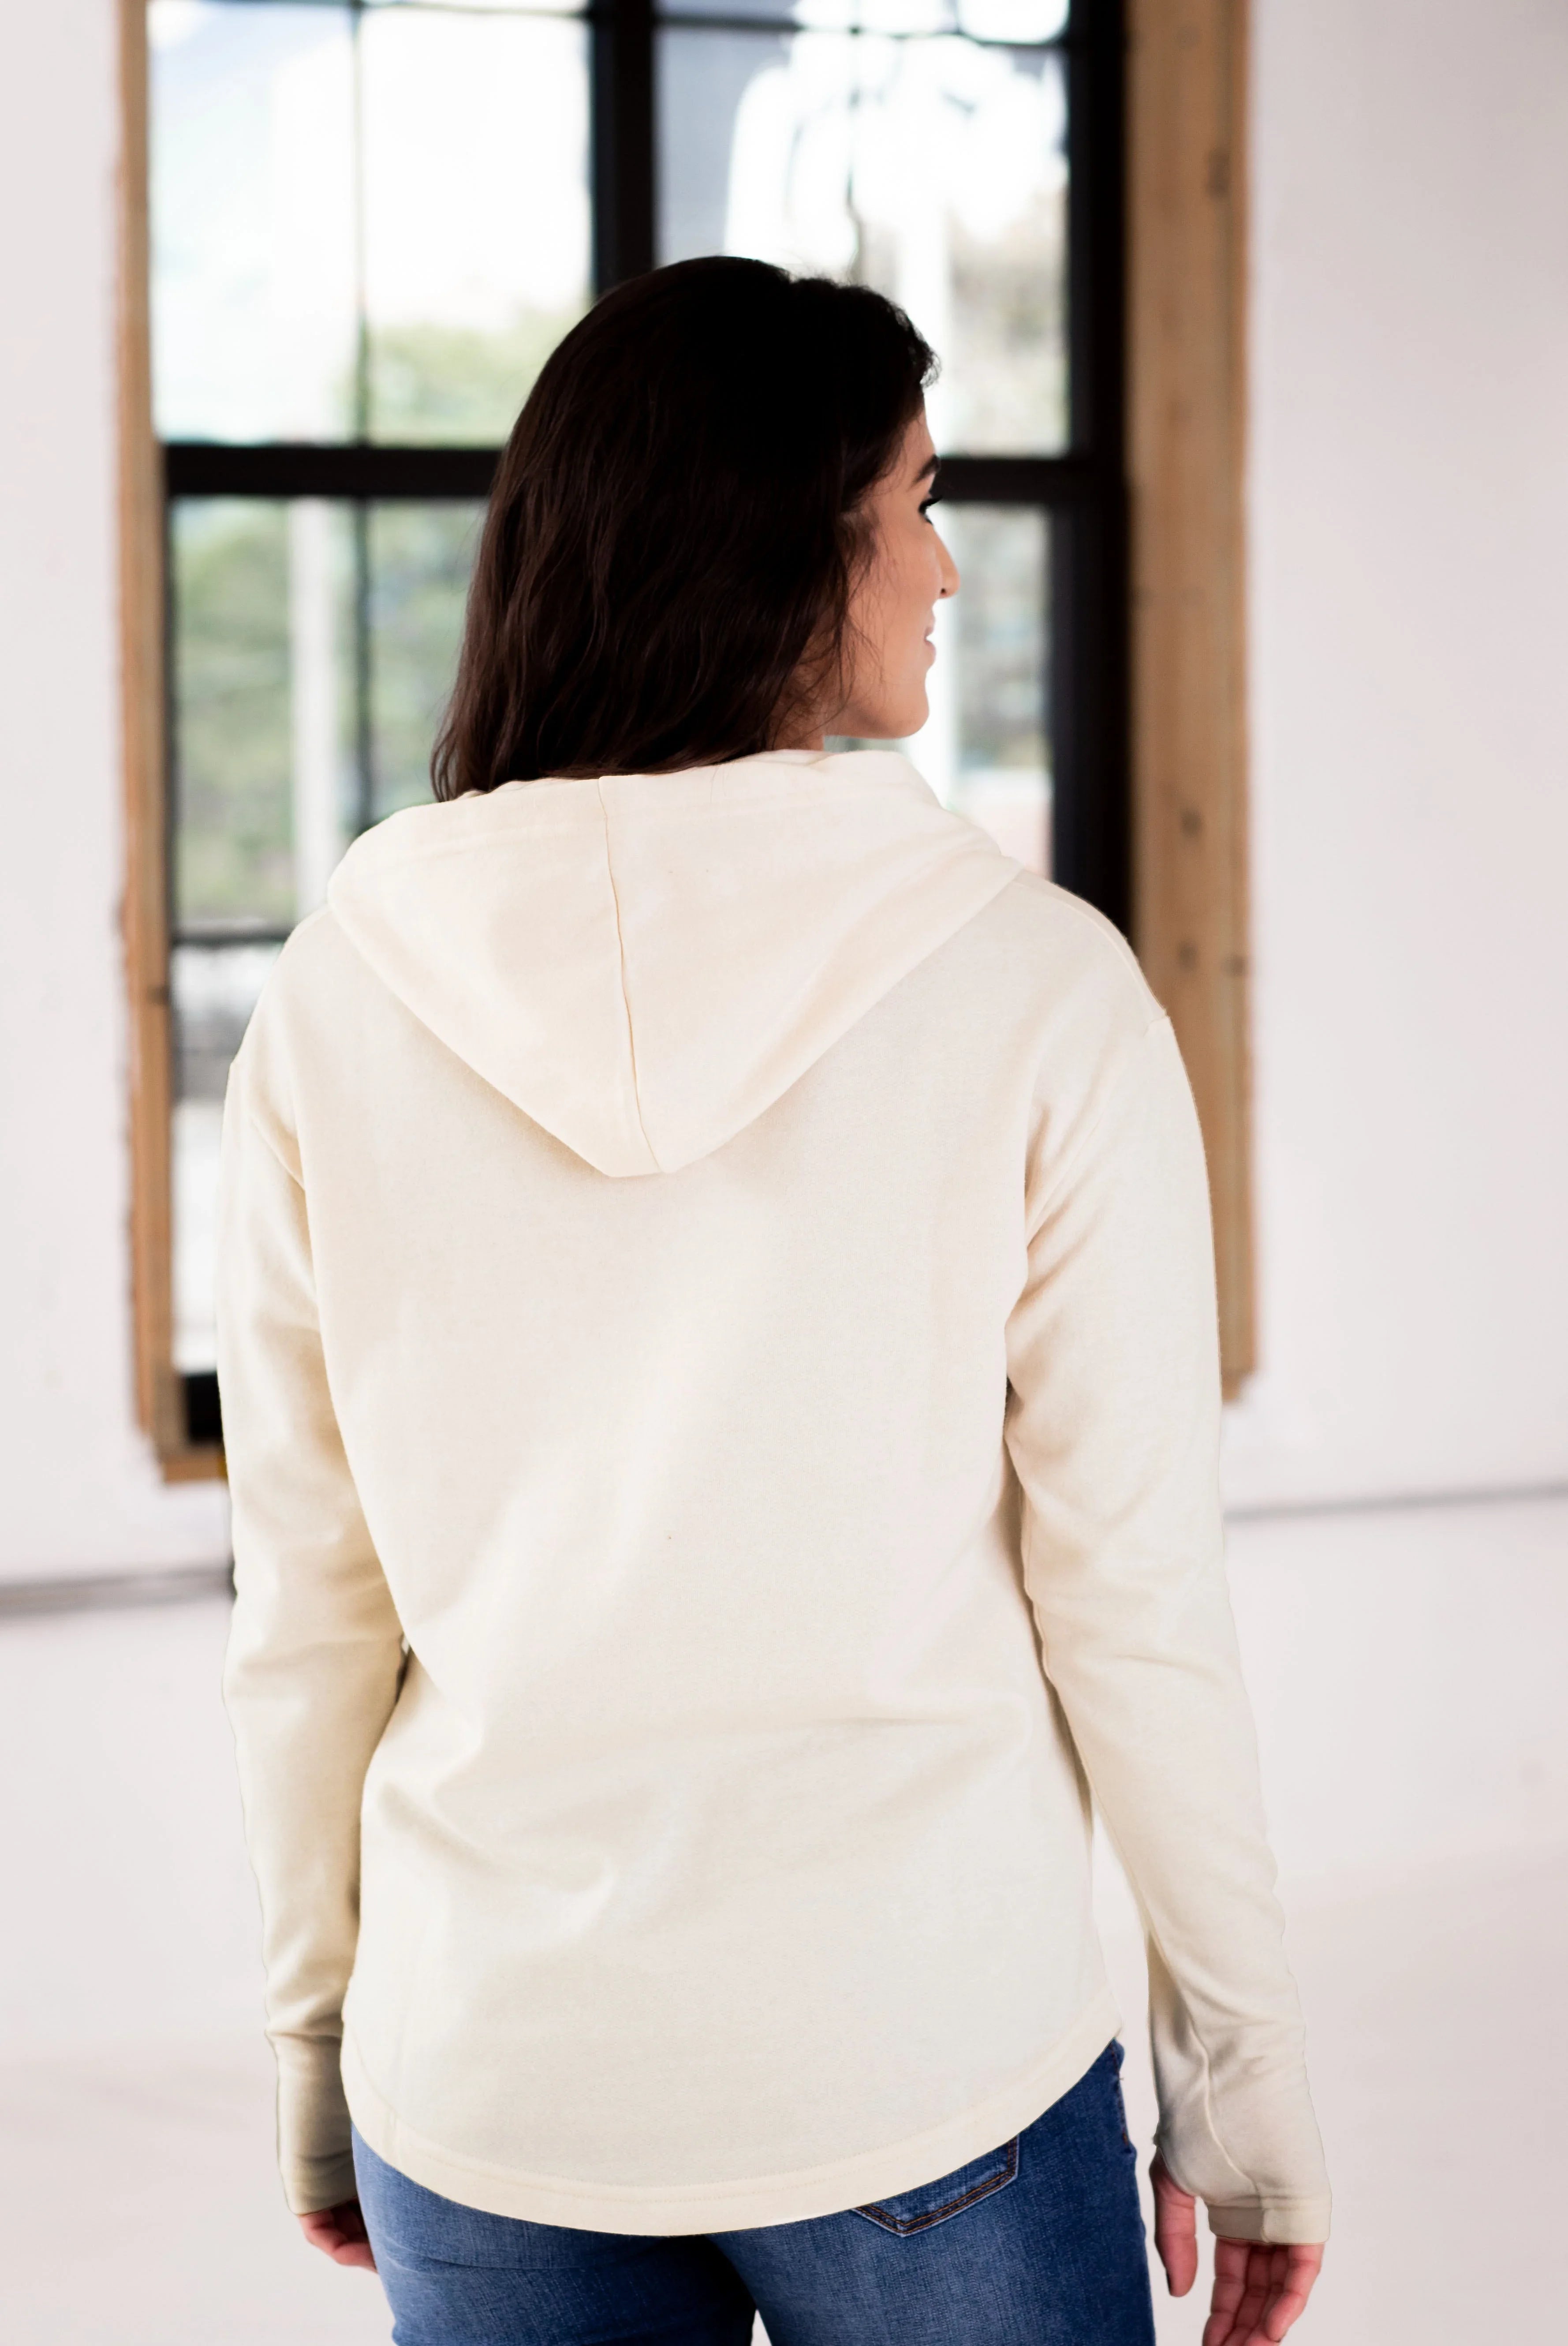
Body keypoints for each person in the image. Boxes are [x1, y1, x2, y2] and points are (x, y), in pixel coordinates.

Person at [217, 257, 1329, 2346]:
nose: (943, 573)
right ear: (778, 554)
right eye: (913, 504)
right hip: (924, 2066)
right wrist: (1241, 2074)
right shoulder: (1035, 986)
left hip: (489, 2072)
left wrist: (313, 2035)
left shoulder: (337, 990)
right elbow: (1131, 1590)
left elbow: (310, 1607)